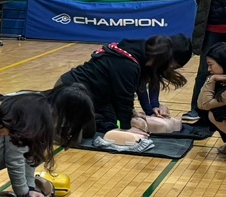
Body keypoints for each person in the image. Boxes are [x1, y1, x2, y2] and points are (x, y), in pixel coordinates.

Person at [54, 36, 192, 138]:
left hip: (97, 95)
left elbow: (139, 84)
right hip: (72, 92)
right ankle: (60, 120)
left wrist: (144, 110)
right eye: (172, 66)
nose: (171, 69)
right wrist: (126, 129)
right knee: (96, 129)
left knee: (111, 121)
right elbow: (124, 97)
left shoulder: (144, 52)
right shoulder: (128, 64)